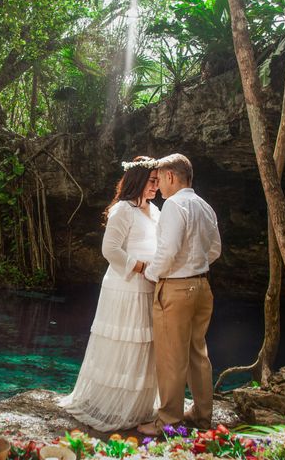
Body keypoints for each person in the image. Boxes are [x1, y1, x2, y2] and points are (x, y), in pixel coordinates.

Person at [60, 156, 161, 431]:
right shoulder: (122, 210)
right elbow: (110, 250)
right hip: (125, 288)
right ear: (138, 180)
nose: (157, 186)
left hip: (150, 287)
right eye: (153, 181)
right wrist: (141, 267)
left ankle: (138, 404)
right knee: (124, 341)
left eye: (158, 181)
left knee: (144, 343)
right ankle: (113, 404)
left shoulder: (154, 211)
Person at [138, 153, 221, 435]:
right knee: (198, 352)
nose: (158, 186)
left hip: (176, 288)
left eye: (159, 178)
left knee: (171, 356)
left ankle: (168, 421)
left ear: (171, 176)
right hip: (202, 286)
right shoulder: (205, 206)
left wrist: (151, 274)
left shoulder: (173, 205)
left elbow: (167, 251)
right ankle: (201, 415)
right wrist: (196, 264)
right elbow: (215, 249)